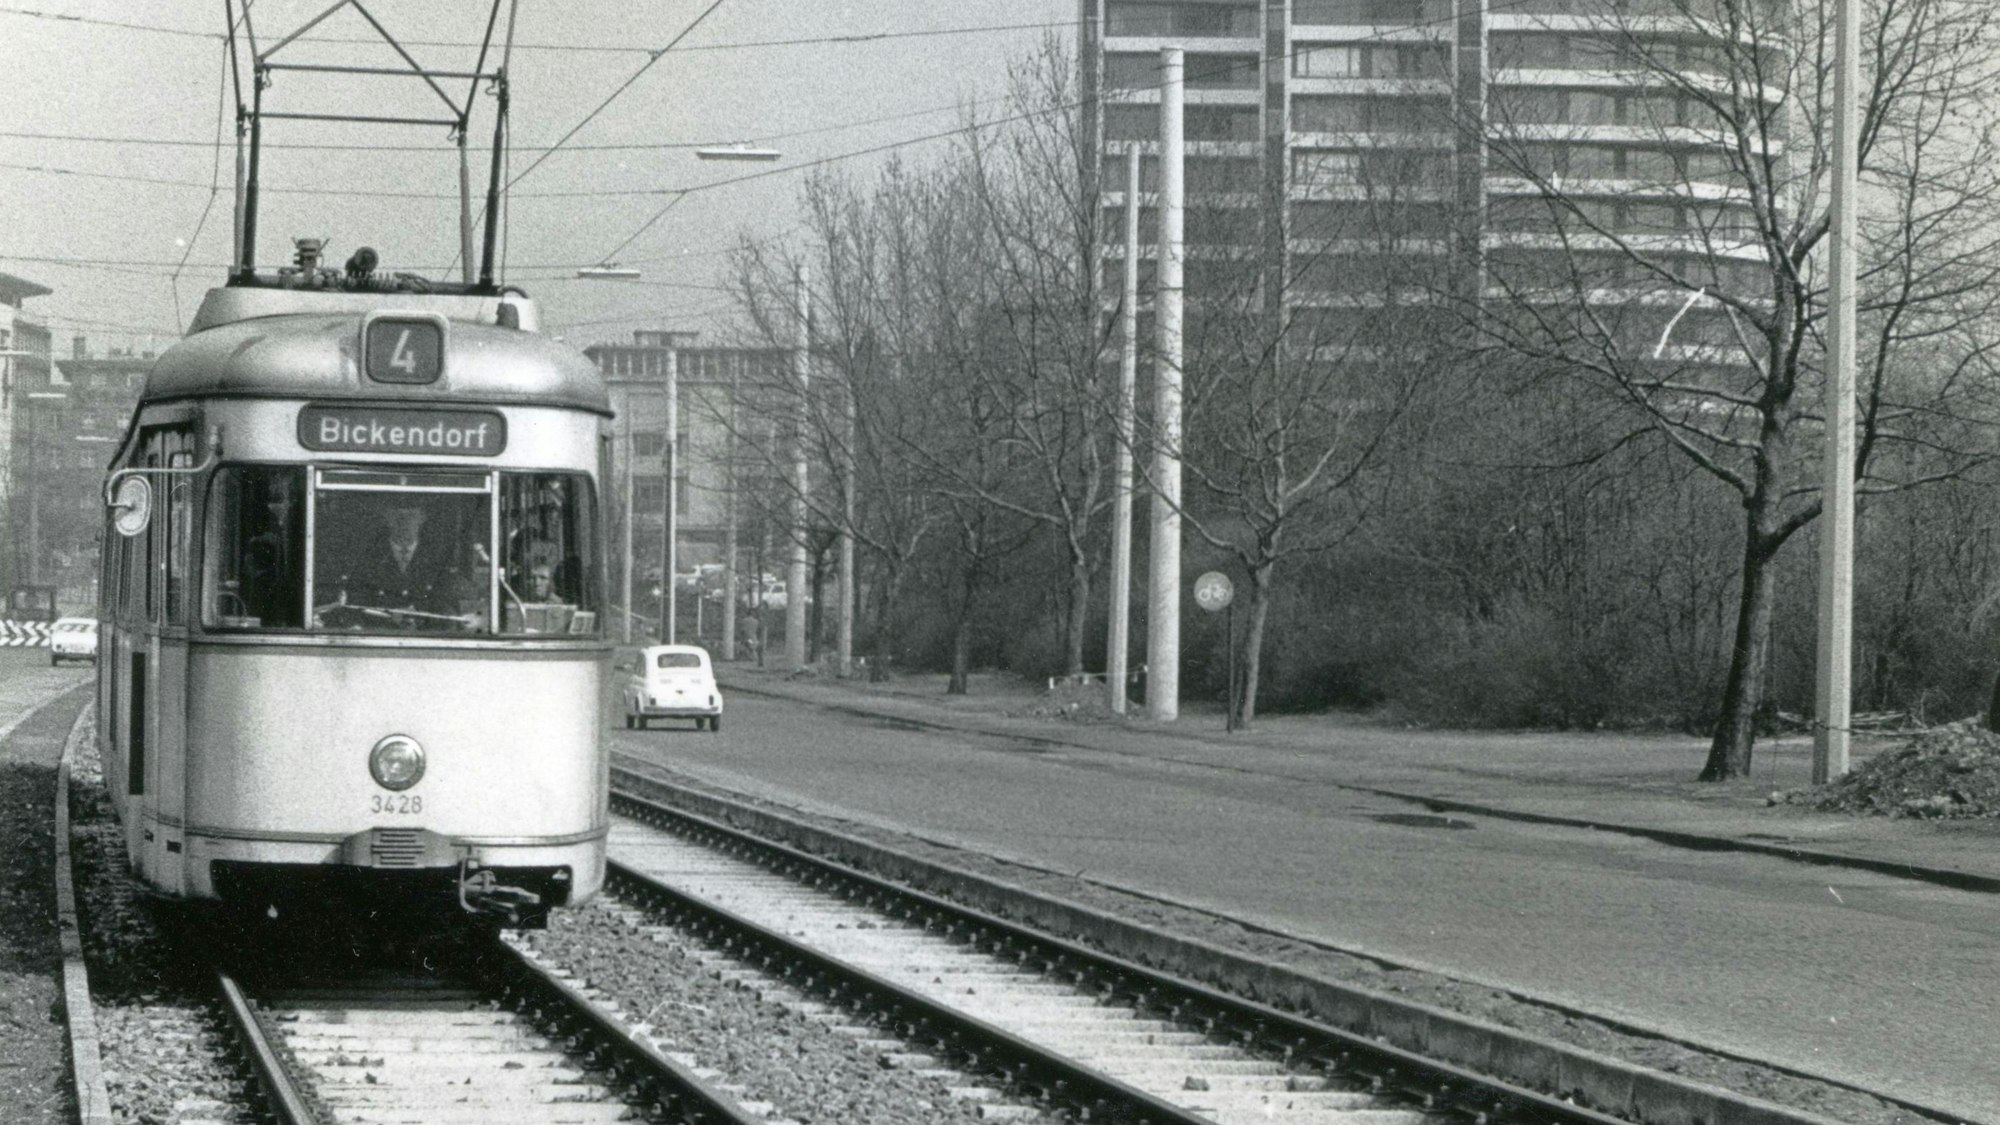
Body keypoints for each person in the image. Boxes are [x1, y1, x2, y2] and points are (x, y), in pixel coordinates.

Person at [338, 503, 462, 623]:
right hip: (380, 635)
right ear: (386, 518)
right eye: (397, 516)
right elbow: (354, 606)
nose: (404, 522)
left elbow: (447, 607)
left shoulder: (438, 559)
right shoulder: (368, 558)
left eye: (411, 516)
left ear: (422, 518)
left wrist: (416, 613)